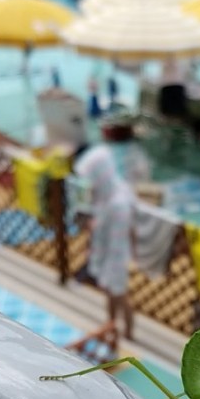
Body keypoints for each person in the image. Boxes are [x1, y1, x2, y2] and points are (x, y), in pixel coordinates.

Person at [74, 145, 134, 339]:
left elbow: (117, 236)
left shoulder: (118, 202)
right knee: (111, 293)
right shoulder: (106, 195)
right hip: (108, 250)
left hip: (115, 254)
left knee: (119, 294)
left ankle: (128, 331)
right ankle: (112, 323)